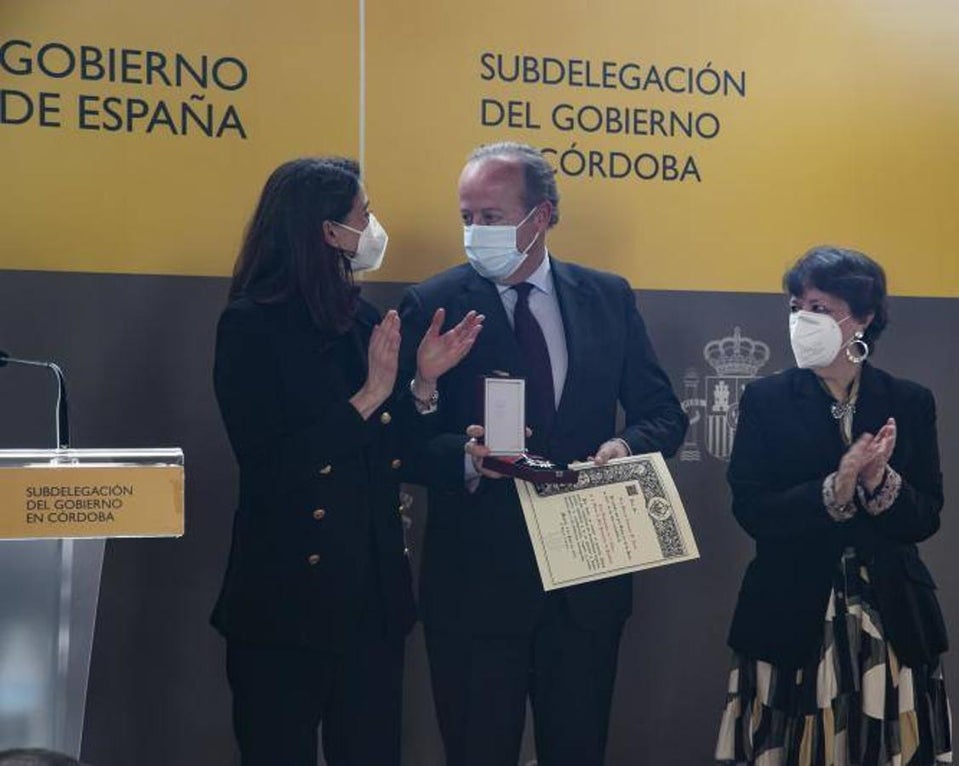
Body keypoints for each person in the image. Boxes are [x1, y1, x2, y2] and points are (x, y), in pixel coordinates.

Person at [396, 142, 687, 766]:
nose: (476, 231)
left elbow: (663, 414)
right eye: (467, 217)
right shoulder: (432, 303)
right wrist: (463, 453)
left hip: (585, 583)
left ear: (542, 217)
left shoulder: (607, 297)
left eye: (492, 217)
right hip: (476, 588)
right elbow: (400, 444)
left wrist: (623, 447)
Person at [211, 157, 482, 766]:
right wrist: (367, 397)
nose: (373, 226)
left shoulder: (361, 317)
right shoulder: (250, 324)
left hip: (370, 597)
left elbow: (394, 451)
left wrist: (424, 383)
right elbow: (270, 464)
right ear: (328, 231)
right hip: (284, 600)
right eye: (364, 214)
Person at [715, 246, 952, 765]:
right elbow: (752, 508)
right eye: (796, 306)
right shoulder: (766, 399)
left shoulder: (909, 401)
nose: (802, 319)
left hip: (888, 619)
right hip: (790, 612)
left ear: (862, 318)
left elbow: (925, 516)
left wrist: (878, 480)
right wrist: (833, 490)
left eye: (819, 308)